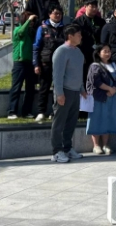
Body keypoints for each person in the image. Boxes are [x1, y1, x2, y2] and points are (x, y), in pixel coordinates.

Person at [50, 24, 86, 163]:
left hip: (75, 92)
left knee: (71, 122)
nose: (81, 37)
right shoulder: (61, 51)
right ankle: (56, 151)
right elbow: (57, 75)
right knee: (59, 122)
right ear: (70, 36)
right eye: (78, 35)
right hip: (64, 91)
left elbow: (78, 73)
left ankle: (67, 148)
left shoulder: (78, 52)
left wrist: (82, 89)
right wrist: (59, 93)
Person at [86, 44, 116, 155]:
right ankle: (96, 145)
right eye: (105, 51)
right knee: (97, 119)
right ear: (98, 53)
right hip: (99, 97)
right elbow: (96, 81)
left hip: (112, 96)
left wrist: (114, 89)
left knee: (108, 119)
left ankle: (106, 145)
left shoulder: (114, 65)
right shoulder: (95, 66)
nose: (108, 53)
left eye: (109, 51)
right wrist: (109, 89)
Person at [32, 4, 65, 122]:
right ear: (49, 14)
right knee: (44, 88)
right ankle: (41, 112)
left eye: (60, 14)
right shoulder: (42, 28)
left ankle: (55, 111)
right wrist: (36, 64)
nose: (58, 16)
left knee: (58, 89)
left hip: (60, 64)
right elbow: (36, 47)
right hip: (45, 63)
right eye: (55, 13)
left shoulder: (64, 29)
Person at [7, 11, 38, 119]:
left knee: (30, 88)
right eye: (30, 21)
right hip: (19, 62)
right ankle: (12, 111)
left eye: (33, 21)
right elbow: (21, 32)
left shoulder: (31, 32)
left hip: (30, 62)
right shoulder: (18, 30)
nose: (32, 23)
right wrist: (29, 20)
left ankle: (26, 111)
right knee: (16, 87)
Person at [73, 0, 106, 82]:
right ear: (85, 7)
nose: (94, 9)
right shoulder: (78, 22)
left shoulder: (101, 22)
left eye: (96, 7)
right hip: (84, 54)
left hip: (97, 54)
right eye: (92, 6)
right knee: (85, 78)